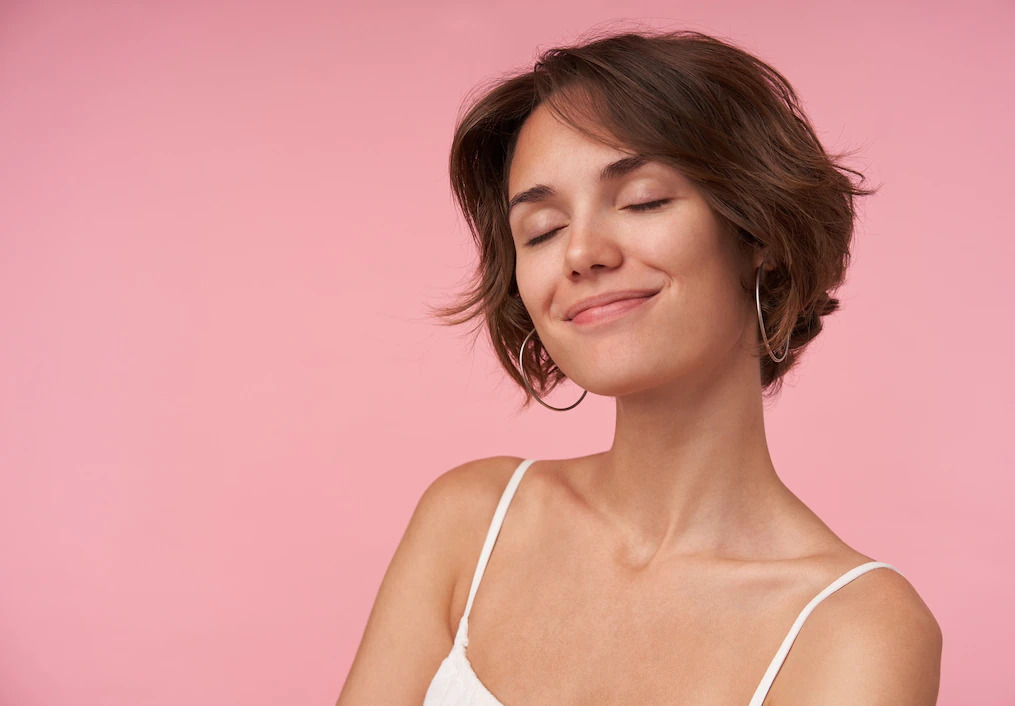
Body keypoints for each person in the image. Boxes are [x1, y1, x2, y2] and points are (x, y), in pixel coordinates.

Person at [338, 26, 942, 706]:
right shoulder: (471, 523)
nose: (581, 252)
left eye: (643, 201)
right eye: (541, 230)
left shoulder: (855, 627)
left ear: (761, 236)